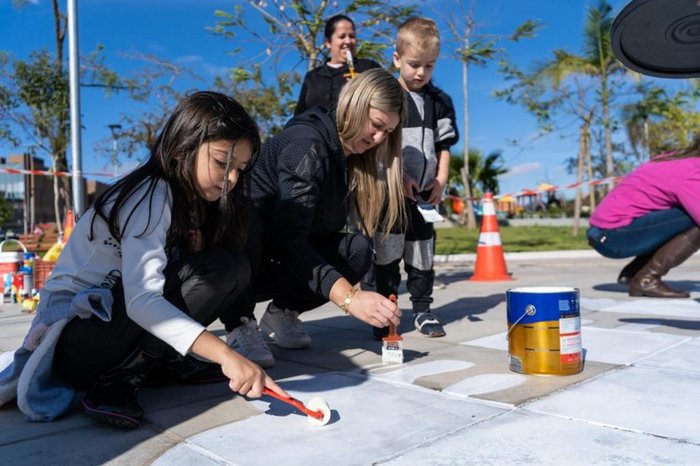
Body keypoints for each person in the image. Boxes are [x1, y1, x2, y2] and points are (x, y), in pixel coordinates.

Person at [0, 91, 287, 428]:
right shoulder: (151, 193)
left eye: (240, 168)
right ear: (183, 149)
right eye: (223, 163)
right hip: (74, 344)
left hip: (103, 333)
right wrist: (227, 355)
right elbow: (141, 301)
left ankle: (150, 366)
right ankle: (119, 379)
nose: (233, 179)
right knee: (219, 269)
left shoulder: (188, 202)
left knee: (231, 267)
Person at [222, 68, 406, 367]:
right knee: (248, 219)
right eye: (376, 125)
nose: (378, 138)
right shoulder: (307, 146)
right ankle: (239, 322)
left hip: (282, 260)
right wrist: (349, 298)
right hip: (241, 263)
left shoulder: (351, 159)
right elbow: (288, 238)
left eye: (388, 132)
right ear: (354, 105)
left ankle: (282, 313)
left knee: (357, 250)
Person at [371, 17, 458, 340]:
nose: (421, 73)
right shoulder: (386, 97)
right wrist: (400, 176)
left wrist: (441, 179)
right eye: (413, 64)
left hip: (424, 196)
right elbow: (378, 143)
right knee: (387, 256)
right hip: (390, 195)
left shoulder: (440, 101)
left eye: (429, 66)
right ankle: (386, 314)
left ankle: (422, 308)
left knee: (422, 254)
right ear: (397, 59)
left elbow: (444, 145)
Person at [587, 137, 700, 298]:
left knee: (684, 215)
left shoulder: (675, 159)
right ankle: (647, 278)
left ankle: (634, 273)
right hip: (615, 235)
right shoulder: (693, 172)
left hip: (603, 233)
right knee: (693, 219)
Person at [294, 14, 381, 116]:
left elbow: (392, 97)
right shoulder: (312, 76)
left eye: (352, 36)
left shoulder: (369, 67)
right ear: (328, 43)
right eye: (342, 36)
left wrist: (368, 86)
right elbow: (299, 115)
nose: (348, 41)